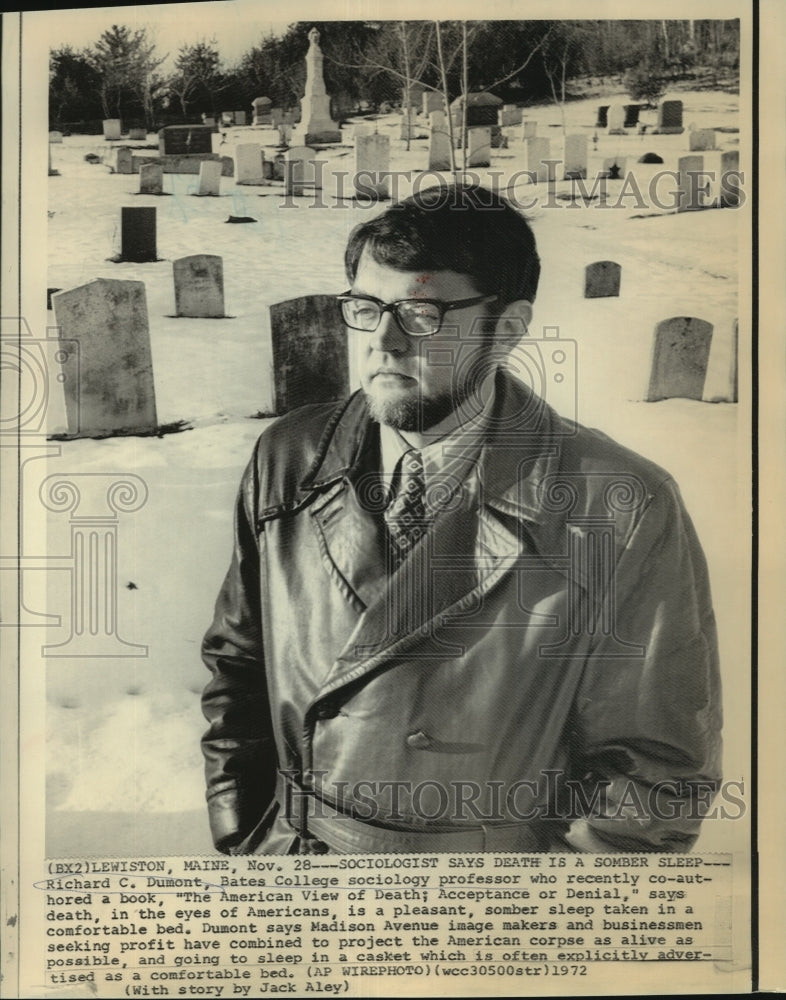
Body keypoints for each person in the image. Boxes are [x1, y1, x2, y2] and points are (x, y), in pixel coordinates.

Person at [201, 183, 722, 855]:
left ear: (506, 330)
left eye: (420, 313)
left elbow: (657, 773)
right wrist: (242, 834)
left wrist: (530, 927)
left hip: (488, 909)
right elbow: (237, 664)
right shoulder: (291, 455)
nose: (382, 343)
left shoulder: (618, 503)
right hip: (297, 874)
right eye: (365, 307)